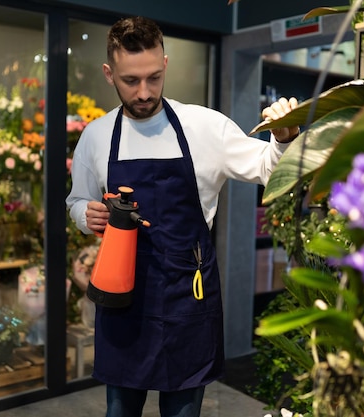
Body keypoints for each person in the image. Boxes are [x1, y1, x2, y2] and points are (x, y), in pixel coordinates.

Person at [66, 16, 299, 417]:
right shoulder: (98, 135)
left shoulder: (204, 126)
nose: (144, 92)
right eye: (130, 80)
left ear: (166, 64)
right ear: (109, 74)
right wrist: (87, 216)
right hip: (122, 299)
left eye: (154, 78)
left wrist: (283, 138)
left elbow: (269, 168)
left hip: (187, 297)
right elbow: (76, 201)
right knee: (120, 411)